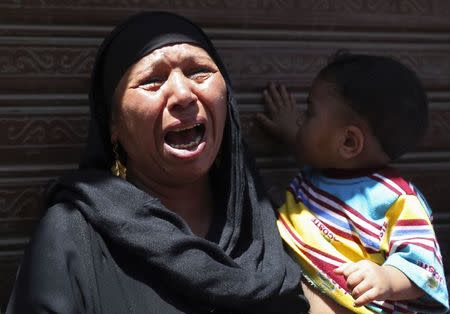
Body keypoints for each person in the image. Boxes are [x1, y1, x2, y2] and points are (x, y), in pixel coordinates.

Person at [6, 11, 310, 314]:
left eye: (198, 72)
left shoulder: (261, 225)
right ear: (114, 124)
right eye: (152, 81)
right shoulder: (70, 236)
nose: (182, 94)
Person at [256, 53, 449, 313]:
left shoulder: (395, 199)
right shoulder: (325, 168)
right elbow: (312, 147)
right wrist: (291, 128)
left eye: (309, 113)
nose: (303, 120)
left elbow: (424, 268)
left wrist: (386, 278)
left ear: (348, 142)